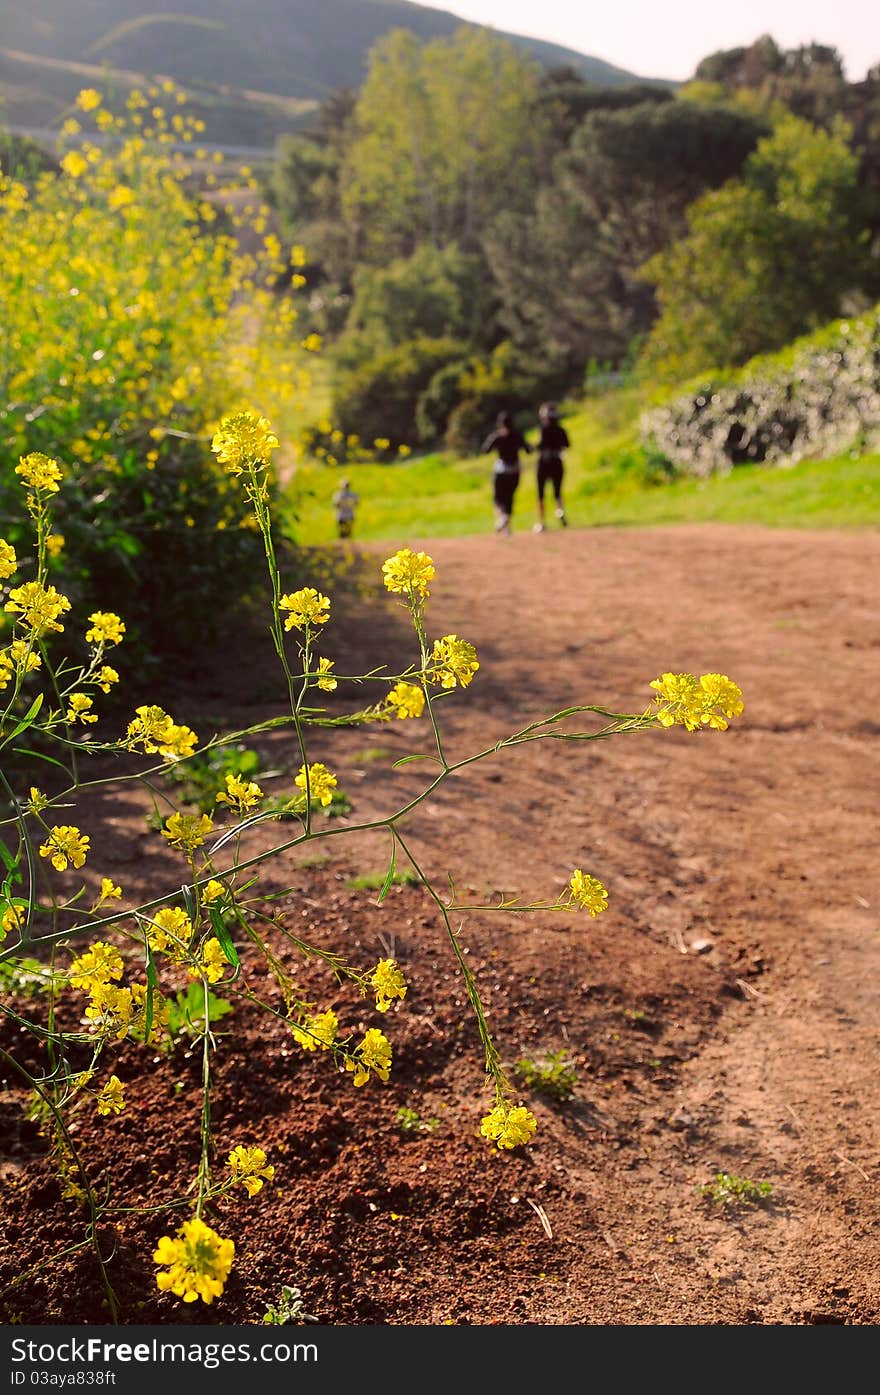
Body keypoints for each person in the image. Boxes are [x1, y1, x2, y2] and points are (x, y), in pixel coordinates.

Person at [480, 411, 533, 535]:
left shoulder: (497, 436)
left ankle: (502, 519)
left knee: (498, 498)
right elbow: (528, 450)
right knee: (509, 498)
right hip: (514, 471)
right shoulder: (517, 436)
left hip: (501, 470)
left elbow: (485, 449)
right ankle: (506, 526)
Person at [533, 401, 570, 533]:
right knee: (557, 491)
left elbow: (540, 445)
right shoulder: (561, 429)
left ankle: (541, 522)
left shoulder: (543, 429)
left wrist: (534, 446)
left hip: (543, 462)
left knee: (540, 494)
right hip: (557, 461)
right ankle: (559, 510)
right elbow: (567, 444)